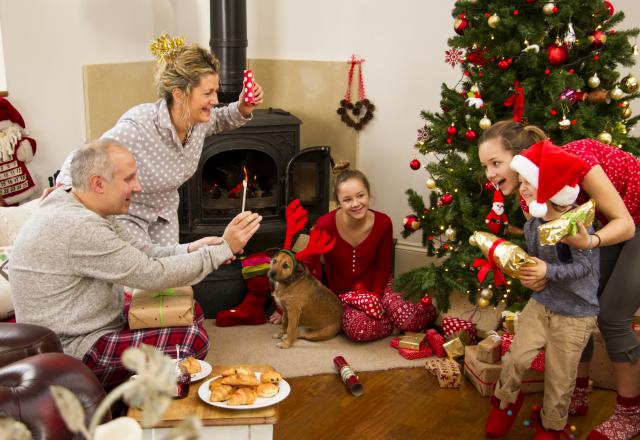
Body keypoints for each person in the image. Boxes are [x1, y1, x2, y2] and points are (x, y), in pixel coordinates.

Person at [9, 139, 262, 387]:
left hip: (90, 322)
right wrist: (223, 250)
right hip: (72, 350)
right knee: (190, 341)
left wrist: (191, 248)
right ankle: (135, 404)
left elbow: (141, 252)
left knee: (187, 311)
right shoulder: (80, 226)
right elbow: (151, 274)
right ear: (98, 184)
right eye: (128, 179)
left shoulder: (77, 201)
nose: (138, 186)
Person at [479, 120, 640, 440]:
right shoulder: (529, 196)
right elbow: (555, 262)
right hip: (602, 225)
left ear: (523, 156)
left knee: (612, 316)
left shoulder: (578, 162)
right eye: (485, 166)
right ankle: (575, 393)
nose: (490, 175)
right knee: (575, 303)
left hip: (631, 221)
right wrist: (537, 276)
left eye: (496, 163)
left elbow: (625, 225)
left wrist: (589, 243)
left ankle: (631, 413)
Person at [56, 35, 264, 246]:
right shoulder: (139, 125)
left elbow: (221, 119)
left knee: (170, 273)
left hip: (165, 215)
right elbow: (87, 157)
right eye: (208, 93)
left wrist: (242, 107)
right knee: (143, 273)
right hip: (129, 215)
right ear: (179, 94)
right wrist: (63, 194)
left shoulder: (198, 122)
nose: (215, 100)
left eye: (216, 91)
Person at [484, 140, 599, 439]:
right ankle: (505, 401)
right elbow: (536, 263)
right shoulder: (534, 225)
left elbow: (584, 269)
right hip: (542, 302)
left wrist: (549, 271)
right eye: (521, 182)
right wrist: (532, 275)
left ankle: (551, 425)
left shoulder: (580, 224)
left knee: (561, 378)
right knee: (516, 358)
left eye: (528, 183)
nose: (522, 188)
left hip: (576, 312)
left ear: (549, 186)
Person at [271, 168, 435, 341]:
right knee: (358, 330)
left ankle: (421, 313)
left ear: (369, 194)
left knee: (408, 319)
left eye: (360, 196)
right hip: (344, 296)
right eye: (347, 199)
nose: (356, 203)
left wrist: (375, 297)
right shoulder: (325, 225)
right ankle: (390, 323)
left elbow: (383, 267)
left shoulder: (383, 223)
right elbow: (307, 268)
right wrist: (284, 306)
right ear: (339, 202)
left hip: (379, 287)